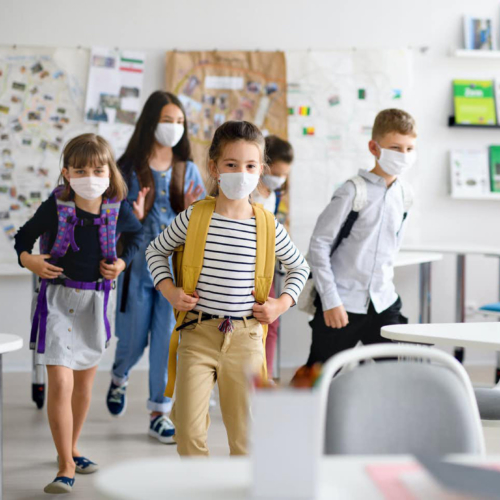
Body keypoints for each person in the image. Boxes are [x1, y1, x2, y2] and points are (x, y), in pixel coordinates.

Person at [145, 121, 309, 456]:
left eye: (250, 166)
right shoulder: (194, 218)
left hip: (247, 341)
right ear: (214, 167)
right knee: (188, 433)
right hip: (198, 334)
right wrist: (169, 291)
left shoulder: (267, 225)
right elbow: (155, 251)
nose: (241, 173)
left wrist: (281, 304)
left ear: (261, 170)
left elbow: (299, 267)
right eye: (231, 165)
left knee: (246, 438)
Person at [14, 134, 143, 494]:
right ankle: (65, 464)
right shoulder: (56, 207)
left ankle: (72, 446)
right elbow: (22, 239)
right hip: (57, 301)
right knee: (61, 382)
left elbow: (136, 237)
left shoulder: (117, 209)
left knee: (84, 387)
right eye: (81, 169)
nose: (90, 175)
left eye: (98, 169)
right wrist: (30, 260)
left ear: (109, 171)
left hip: (94, 305)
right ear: (66, 173)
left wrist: (120, 263)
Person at [105, 91, 205, 444]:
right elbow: (110, 221)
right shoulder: (127, 167)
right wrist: (135, 215)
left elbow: (201, 224)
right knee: (131, 342)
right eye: (167, 120)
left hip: (175, 276)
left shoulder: (188, 169)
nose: (174, 128)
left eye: (179, 122)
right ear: (151, 121)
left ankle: (158, 413)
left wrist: (194, 211)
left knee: (167, 344)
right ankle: (119, 376)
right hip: (136, 270)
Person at [304, 108, 416, 366]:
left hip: (384, 302)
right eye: (396, 148)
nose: (404, 156)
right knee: (316, 377)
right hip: (342, 303)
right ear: (374, 148)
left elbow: (392, 249)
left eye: (409, 149)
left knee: (392, 376)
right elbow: (318, 246)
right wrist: (331, 301)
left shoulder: (405, 194)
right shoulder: (352, 191)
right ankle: (301, 408)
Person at [251, 135, 294, 375]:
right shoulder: (247, 191)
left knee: (272, 323)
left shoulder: (274, 195)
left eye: (285, 174)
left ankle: (263, 377)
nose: (280, 179)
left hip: (266, 268)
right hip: (245, 269)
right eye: (276, 172)